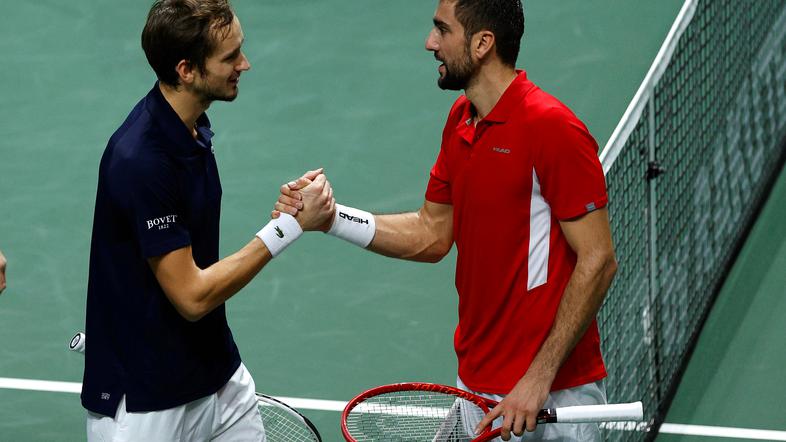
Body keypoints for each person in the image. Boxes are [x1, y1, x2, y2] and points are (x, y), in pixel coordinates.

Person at [275, 0, 617, 440]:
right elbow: (431, 233)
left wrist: (538, 379)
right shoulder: (461, 120)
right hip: (477, 383)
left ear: (482, 43)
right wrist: (332, 218)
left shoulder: (551, 128)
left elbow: (599, 260)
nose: (430, 43)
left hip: (548, 396)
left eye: (443, 30)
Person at [82, 1, 334, 440]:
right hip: (146, 401)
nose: (245, 64)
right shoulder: (142, 160)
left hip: (219, 378)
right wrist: (288, 227)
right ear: (186, 70)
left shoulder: (192, 129)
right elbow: (193, 297)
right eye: (230, 57)